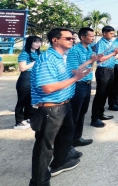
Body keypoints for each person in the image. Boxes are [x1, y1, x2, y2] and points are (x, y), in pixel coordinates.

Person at [29, 28, 88, 185]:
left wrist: (76, 72)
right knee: (45, 147)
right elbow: (47, 88)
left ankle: (60, 163)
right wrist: (76, 78)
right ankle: (39, 181)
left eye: (72, 38)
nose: (72, 40)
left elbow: (62, 76)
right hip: (50, 109)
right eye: (68, 38)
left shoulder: (60, 57)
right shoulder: (48, 59)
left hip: (63, 105)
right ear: (55, 40)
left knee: (66, 135)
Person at [67, 27, 102, 148]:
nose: (93, 38)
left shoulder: (88, 50)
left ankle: (77, 138)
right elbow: (73, 70)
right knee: (75, 113)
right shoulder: (74, 51)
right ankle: (69, 142)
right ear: (83, 37)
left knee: (82, 111)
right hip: (78, 85)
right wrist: (89, 61)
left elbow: (92, 64)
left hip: (87, 84)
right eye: (91, 36)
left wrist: (95, 60)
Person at [90, 26, 118, 128]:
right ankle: (94, 118)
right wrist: (114, 53)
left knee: (105, 93)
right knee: (100, 94)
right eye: (110, 33)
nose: (112, 35)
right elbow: (101, 59)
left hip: (110, 69)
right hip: (103, 70)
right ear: (104, 33)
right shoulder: (101, 43)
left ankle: (101, 113)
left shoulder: (109, 43)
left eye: (113, 33)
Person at [14, 35, 41, 130]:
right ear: (30, 43)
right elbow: (22, 68)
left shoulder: (38, 53)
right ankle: (18, 121)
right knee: (22, 101)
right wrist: (35, 62)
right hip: (25, 78)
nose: (38, 44)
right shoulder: (24, 54)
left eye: (39, 42)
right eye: (35, 42)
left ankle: (27, 119)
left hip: (34, 78)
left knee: (30, 100)